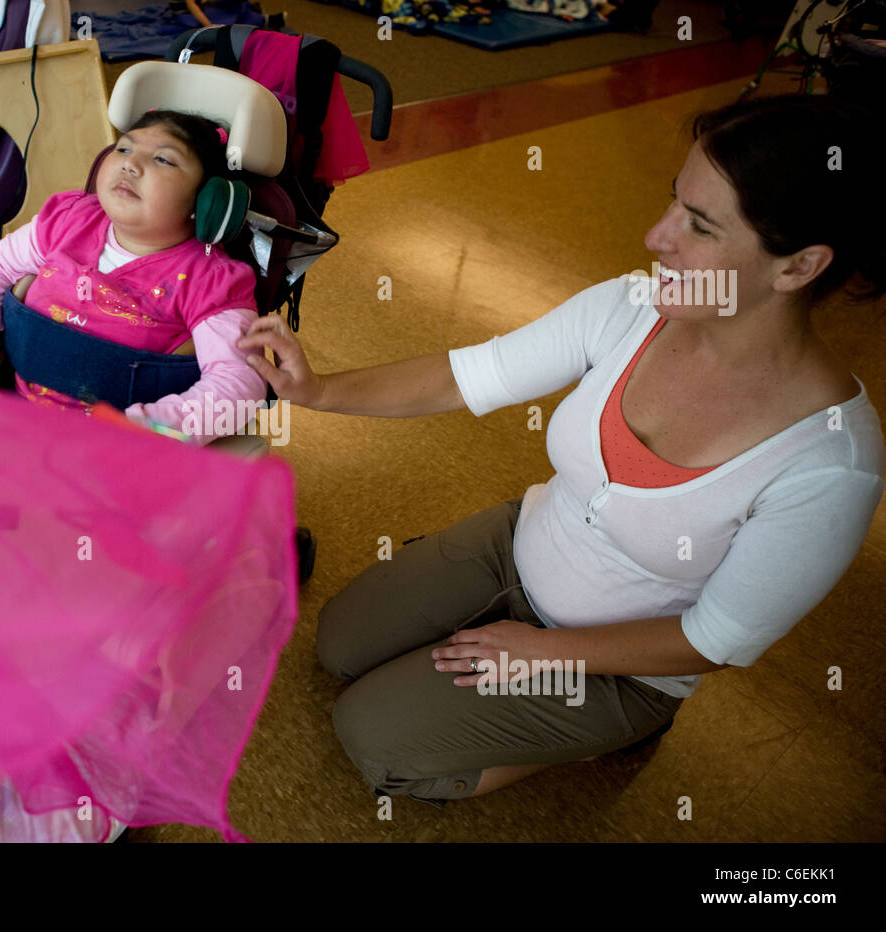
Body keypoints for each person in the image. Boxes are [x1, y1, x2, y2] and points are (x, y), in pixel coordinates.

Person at [235, 93, 886, 804]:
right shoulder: (632, 306)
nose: (655, 236)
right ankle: (481, 637)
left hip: (622, 664)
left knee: (374, 735)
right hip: (522, 545)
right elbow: (467, 376)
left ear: (797, 268)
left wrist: (545, 652)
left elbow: (717, 638)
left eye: (698, 226)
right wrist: (318, 390)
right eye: (674, 202)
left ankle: (617, 731)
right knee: (339, 643)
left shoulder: (828, 465)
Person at [0, 110, 265, 443]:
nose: (130, 164)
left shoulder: (211, 279)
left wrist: (149, 428)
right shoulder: (68, 220)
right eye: (124, 149)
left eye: (163, 160)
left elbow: (240, 383)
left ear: (206, 201)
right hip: (9, 410)